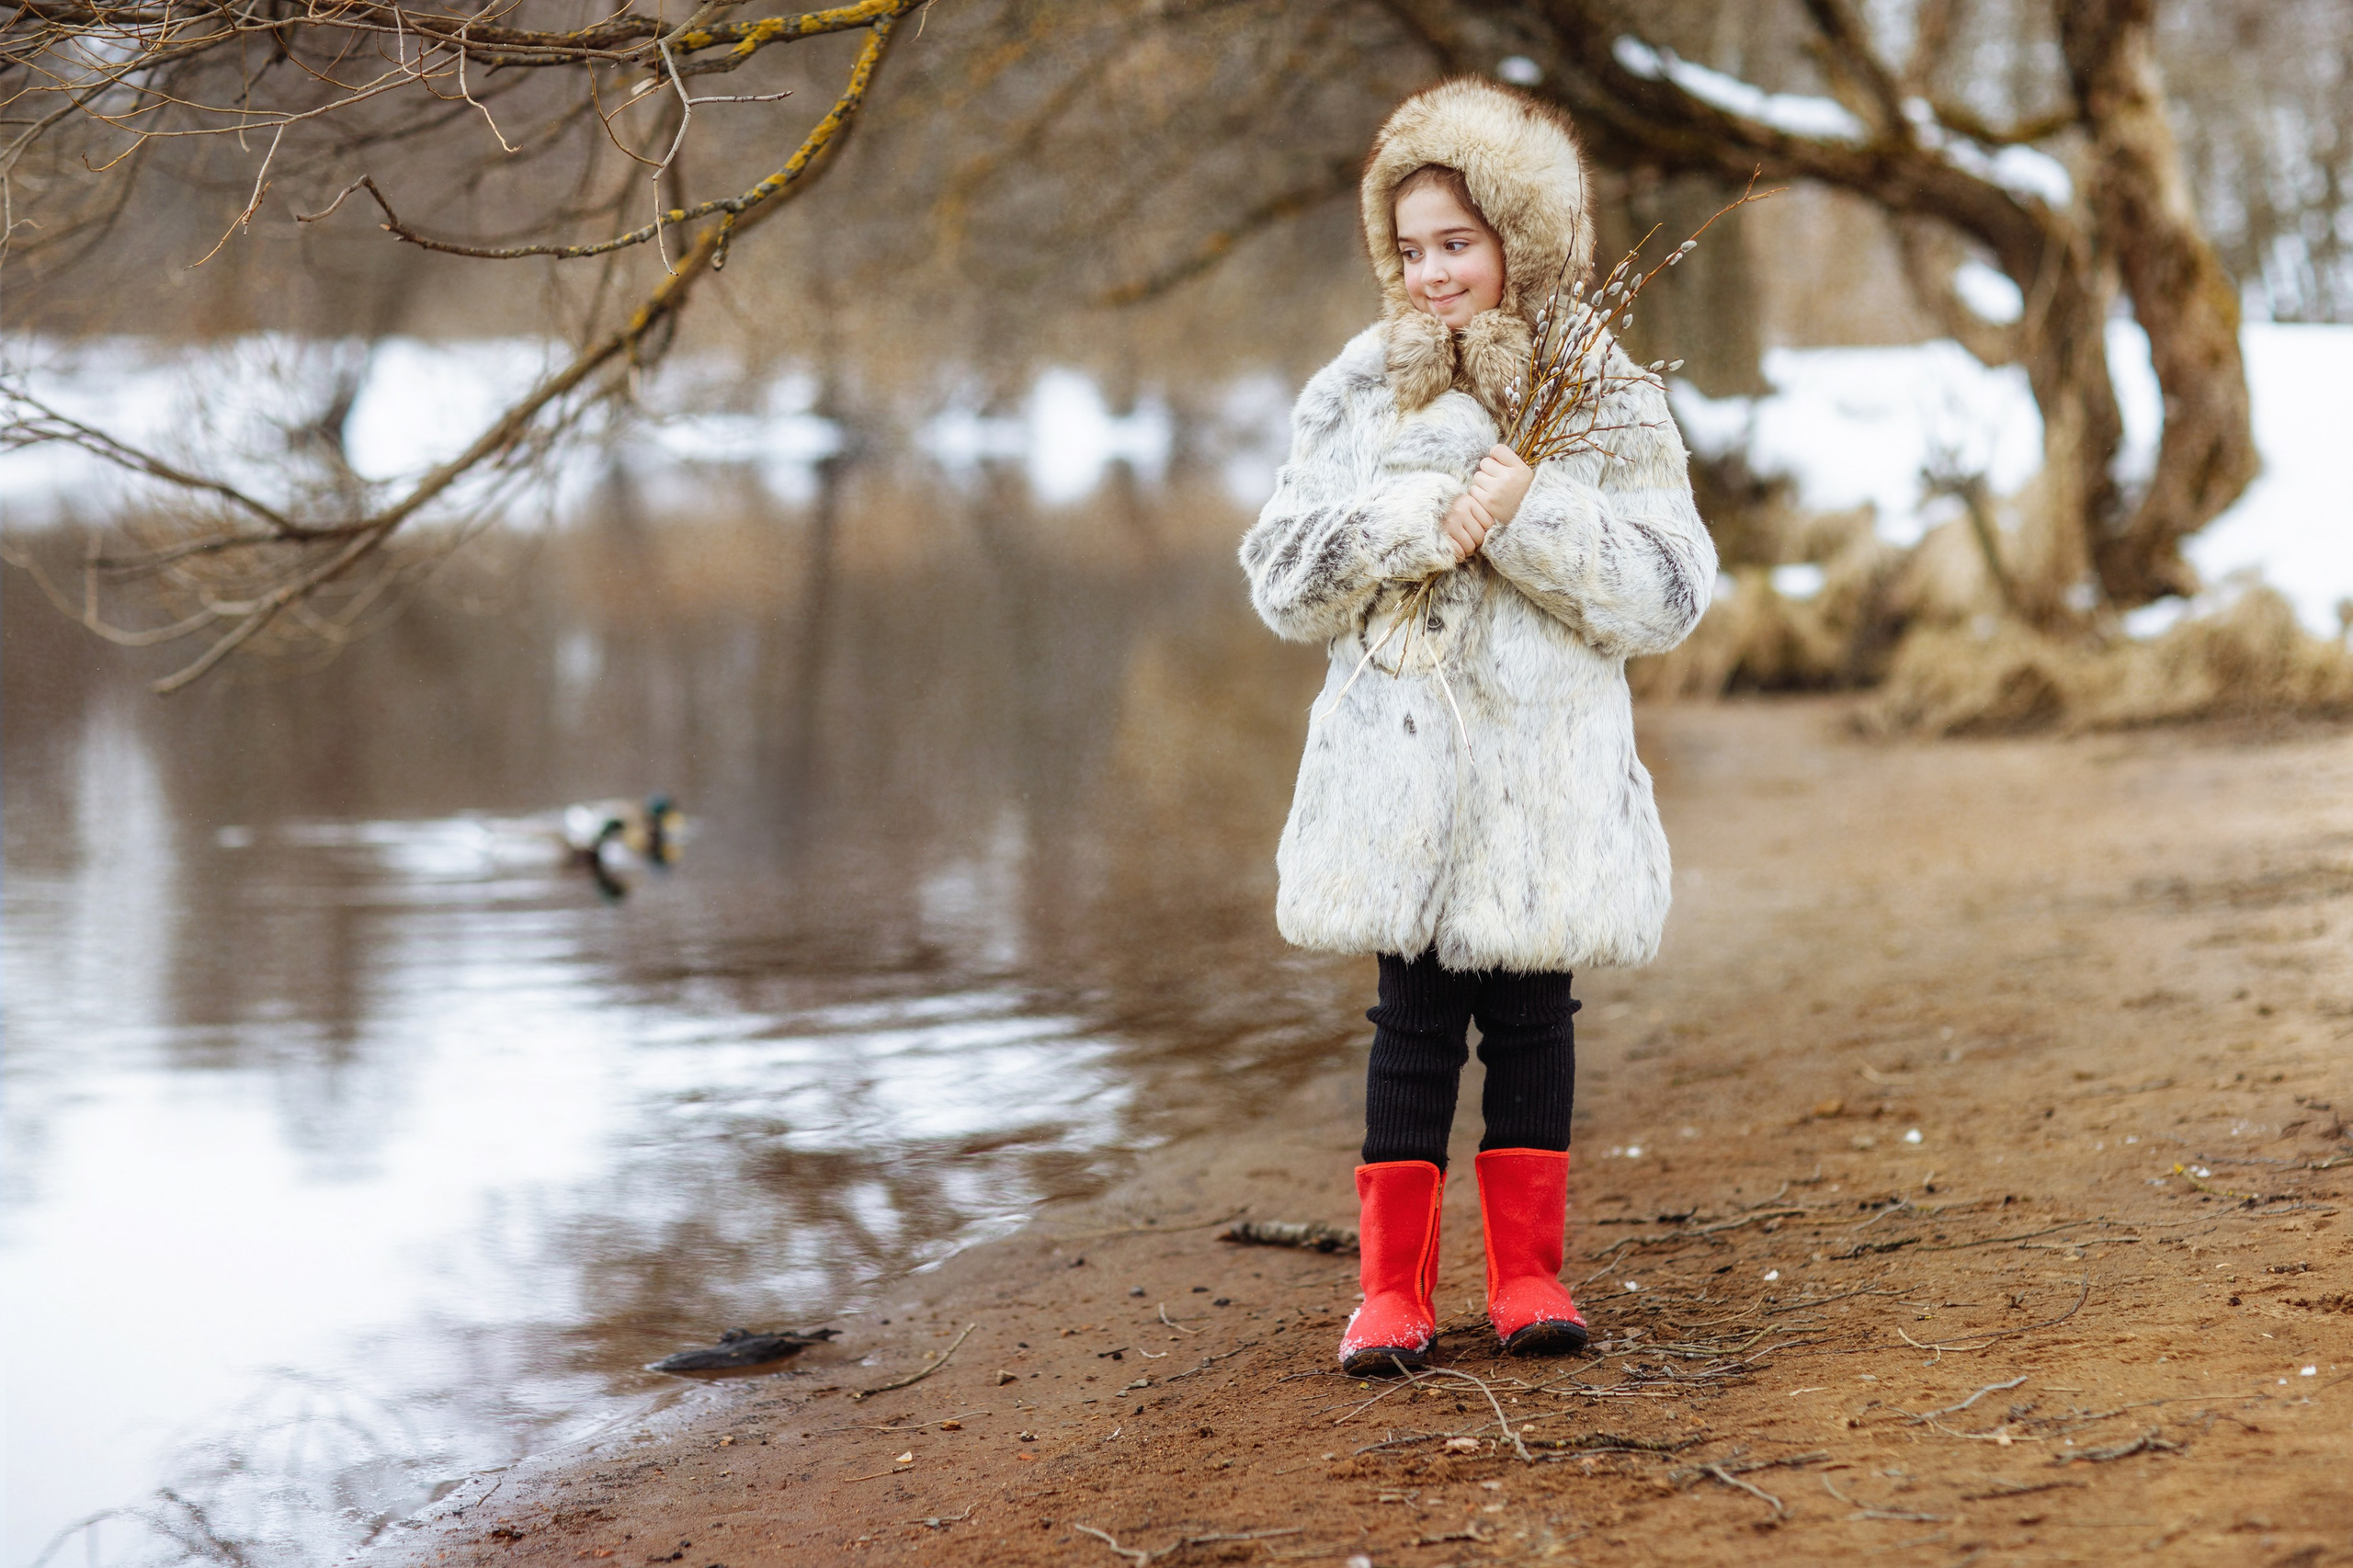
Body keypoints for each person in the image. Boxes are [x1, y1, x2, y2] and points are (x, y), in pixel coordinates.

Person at [1238, 78, 1717, 1376]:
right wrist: (1409, 522)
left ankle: (1531, 1276)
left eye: (1458, 241)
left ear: (1523, 234)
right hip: (1397, 785)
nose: (1433, 272)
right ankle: (1389, 1291)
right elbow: (1281, 573)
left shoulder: (1600, 392)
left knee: (1530, 1017)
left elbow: (1673, 591)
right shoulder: (1353, 396)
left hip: (1541, 784)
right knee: (1409, 1021)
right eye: (1411, 249)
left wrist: (1534, 509)